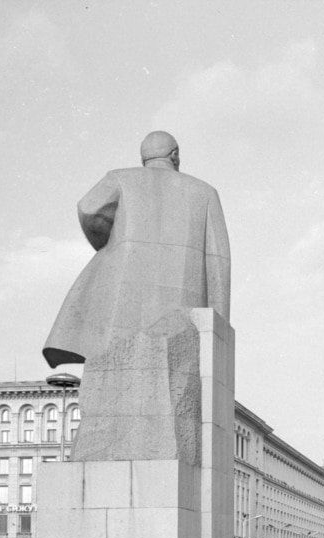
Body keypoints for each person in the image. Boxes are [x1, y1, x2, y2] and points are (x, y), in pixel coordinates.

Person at [43, 130, 231, 462]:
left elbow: (88, 208)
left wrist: (112, 243)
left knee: (112, 383)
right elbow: (218, 264)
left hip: (122, 310)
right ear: (175, 155)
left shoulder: (121, 179)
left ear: (143, 158)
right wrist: (217, 329)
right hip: (183, 318)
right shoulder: (204, 193)